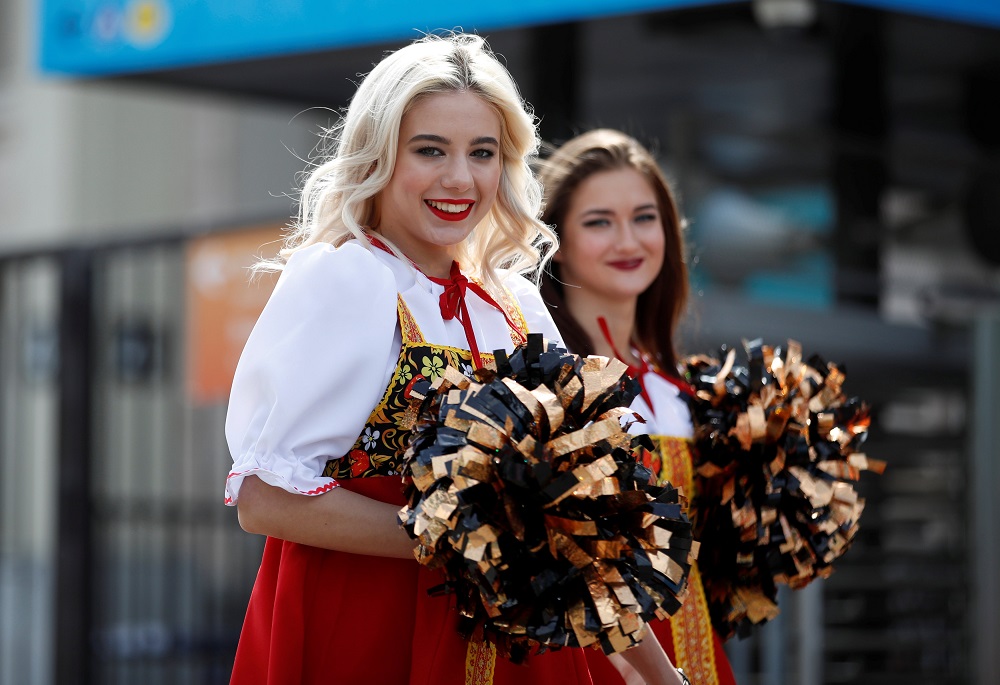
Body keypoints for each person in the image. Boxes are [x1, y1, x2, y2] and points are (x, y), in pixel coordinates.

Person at [224, 35, 686, 685]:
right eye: (430, 150)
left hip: (520, 650)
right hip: (372, 629)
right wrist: (460, 539)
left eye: (482, 153)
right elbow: (265, 499)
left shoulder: (517, 302)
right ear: (379, 156)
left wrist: (663, 676)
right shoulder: (349, 276)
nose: (460, 179)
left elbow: (575, 525)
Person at [537, 128, 738, 685]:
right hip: (596, 661)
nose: (628, 240)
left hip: (697, 652)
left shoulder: (677, 384)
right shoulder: (549, 380)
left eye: (644, 217)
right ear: (557, 239)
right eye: (599, 221)